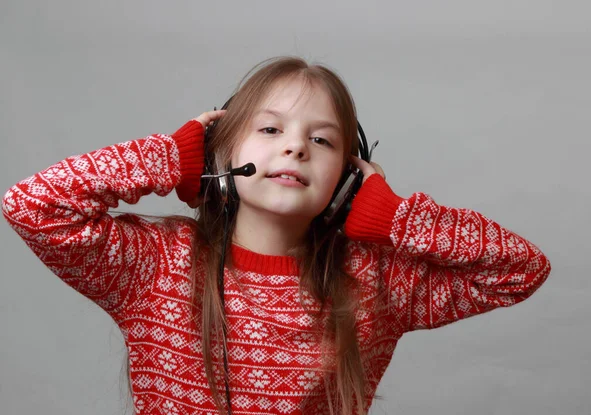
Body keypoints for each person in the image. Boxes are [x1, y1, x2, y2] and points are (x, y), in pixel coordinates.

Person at [2, 56, 551, 415]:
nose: (295, 148)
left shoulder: (375, 282)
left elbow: (519, 269)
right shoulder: (156, 263)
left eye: (322, 140)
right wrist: (174, 158)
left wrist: (392, 218)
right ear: (222, 154)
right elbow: (32, 205)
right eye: (269, 130)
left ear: (348, 180)